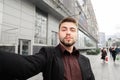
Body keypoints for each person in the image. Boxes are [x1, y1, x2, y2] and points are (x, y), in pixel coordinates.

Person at [0, 17, 95, 80]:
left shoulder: (85, 60)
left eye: (72, 30)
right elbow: (25, 65)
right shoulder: (48, 54)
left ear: (76, 35)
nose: (68, 32)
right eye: (64, 29)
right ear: (58, 34)